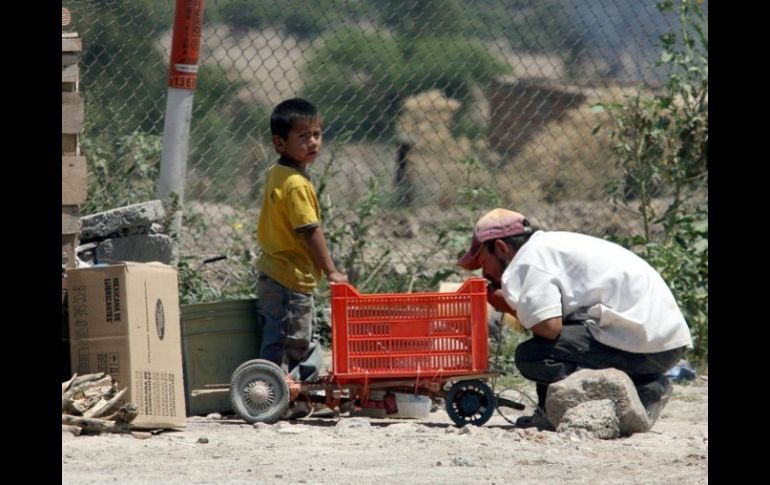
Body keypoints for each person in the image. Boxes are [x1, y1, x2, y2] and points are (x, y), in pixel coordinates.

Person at [457, 208, 693, 430]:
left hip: (648, 347)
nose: (484, 274)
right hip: (660, 342)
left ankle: (640, 390)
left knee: (534, 356)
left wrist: (506, 305)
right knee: (551, 345)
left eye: (483, 263)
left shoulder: (530, 260)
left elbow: (549, 328)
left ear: (500, 248)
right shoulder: (548, 247)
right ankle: (640, 384)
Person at [256, 98, 348, 416]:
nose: (313, 143)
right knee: (288, 342)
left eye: (317, 134)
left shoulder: (279, 173)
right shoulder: (295, 184)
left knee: (287, 339)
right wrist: (332, 270)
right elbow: (309, 230)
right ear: (279, 142)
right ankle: (273, 400)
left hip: (279, 272)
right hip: (289, 277)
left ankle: (293, 397)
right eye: (303, 137)